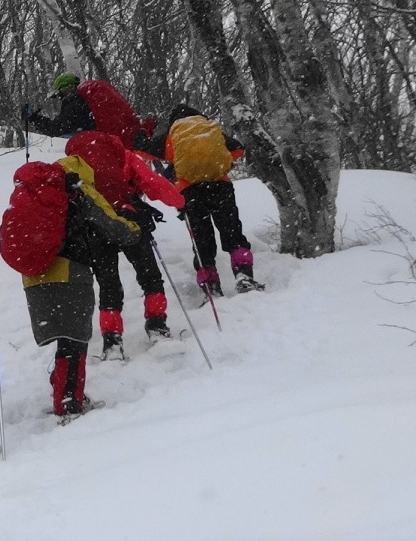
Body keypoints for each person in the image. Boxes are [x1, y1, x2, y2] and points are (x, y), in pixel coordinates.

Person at [20, 155, 140, 417]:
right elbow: (110, 223)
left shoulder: (36, 193)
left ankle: (63, 390)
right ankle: (69, 403)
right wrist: (135, 229)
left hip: (34, 274)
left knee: (65, 339)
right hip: (69, 270)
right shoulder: (76, 189)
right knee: (75, 340)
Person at [64, 128, 186, 351]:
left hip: (96, 224)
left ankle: (112, 340)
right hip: (127, 217)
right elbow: (152, 182)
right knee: (149, 275)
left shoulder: (76, 163)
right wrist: (179, 201)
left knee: (108, 284)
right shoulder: (124, 154)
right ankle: (157, 324)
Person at [165, 104, 258, 294]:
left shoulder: (172, 135)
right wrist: (221, 162)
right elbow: (239, 148)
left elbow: (146, 152)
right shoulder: (210, 129)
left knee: (202, 241)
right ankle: (244, 274)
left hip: (190, 192)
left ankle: (211, 286)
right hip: (220, 186)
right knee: (232, 231)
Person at [22, 72, 95, 138]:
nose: (59, 98)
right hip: (97, 141)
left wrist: (34, 119)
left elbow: (55, 128)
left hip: (91, 144)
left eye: (59, 94)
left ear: (65, 89)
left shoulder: (73, 104)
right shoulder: (85, 100)